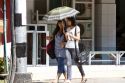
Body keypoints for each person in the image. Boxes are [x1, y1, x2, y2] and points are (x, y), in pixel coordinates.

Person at [64, 17, 86, 83]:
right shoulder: (67, 28)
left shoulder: (77, 28)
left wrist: (71, 35)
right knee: (68, 63)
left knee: (77, 63)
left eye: (68, 21)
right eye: (67, 21)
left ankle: (83, 75)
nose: (67, 22)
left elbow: (78, 38)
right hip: (67, 47)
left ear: (72, 21)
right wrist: (66, 35)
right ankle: (69, 79)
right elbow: (67, 40)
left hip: (74, 48)